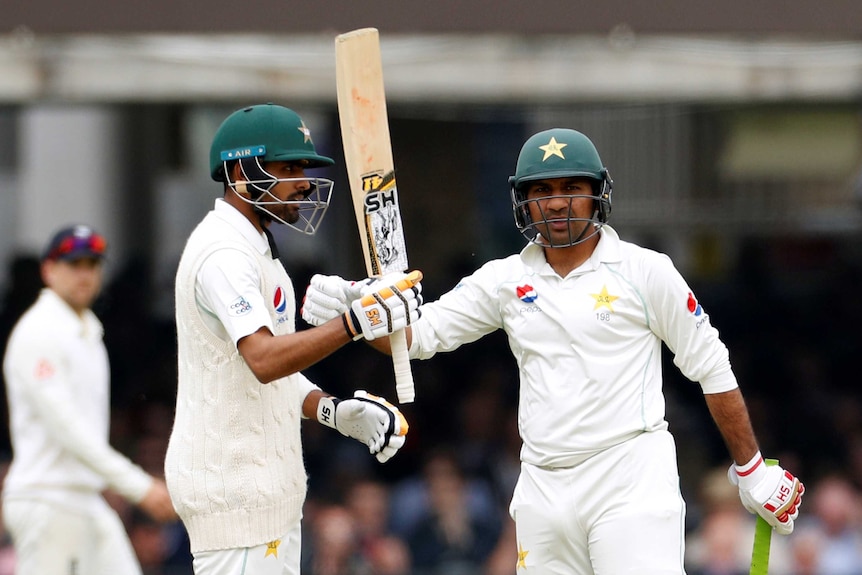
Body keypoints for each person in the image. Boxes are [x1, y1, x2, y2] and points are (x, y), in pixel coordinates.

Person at [301, 128, 805, 573]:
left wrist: (751, 470)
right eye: (543, 191)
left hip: (630, 476)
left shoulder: (646, 271)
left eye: (572, 189)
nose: (558, 202)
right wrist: (356, 312)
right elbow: (418, 335)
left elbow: (712, 367)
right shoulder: (506, 279)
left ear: (597, 195)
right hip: (543, 486)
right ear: (523, 201)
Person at [164, 103, 421, 575]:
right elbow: (263, 359)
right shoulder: (223, 252)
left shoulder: (257, 250)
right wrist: (354, 323)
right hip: (235, 501)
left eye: (303, 166)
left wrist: (332, 410)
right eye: (288, 167)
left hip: (265, 501)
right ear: (241, 172)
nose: (304, 181)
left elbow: (268, 373)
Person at [2, 224, 177, 574]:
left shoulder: (88, 329)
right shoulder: (38, 331)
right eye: (74, 264)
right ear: (48, 270)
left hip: (84, 497)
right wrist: (138, 485)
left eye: (92, 265)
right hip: (45, 497)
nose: (85, 275)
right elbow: (66, 428)